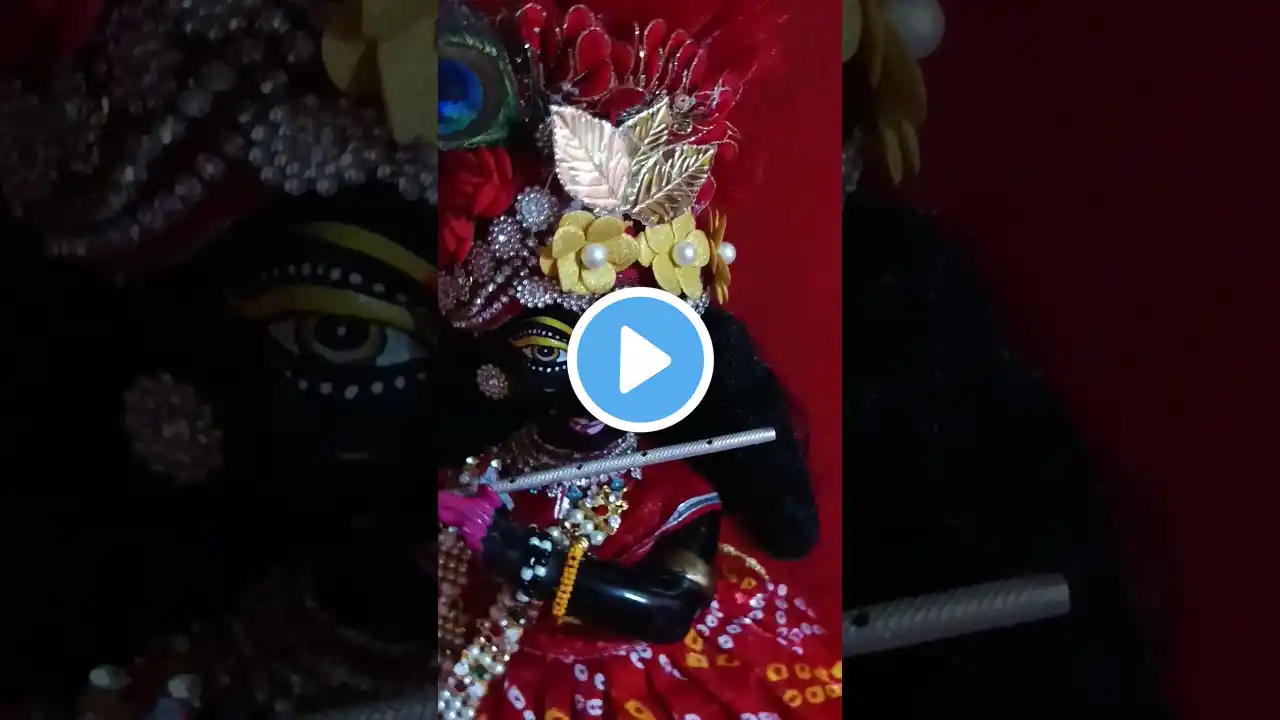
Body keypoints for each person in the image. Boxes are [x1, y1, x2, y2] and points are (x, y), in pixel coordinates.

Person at [433, 0, 844, 718]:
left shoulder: (667, 493)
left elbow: (668, 607)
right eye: (552, 353)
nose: (591, 390)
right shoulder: (479, 464)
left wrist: (521, 556)